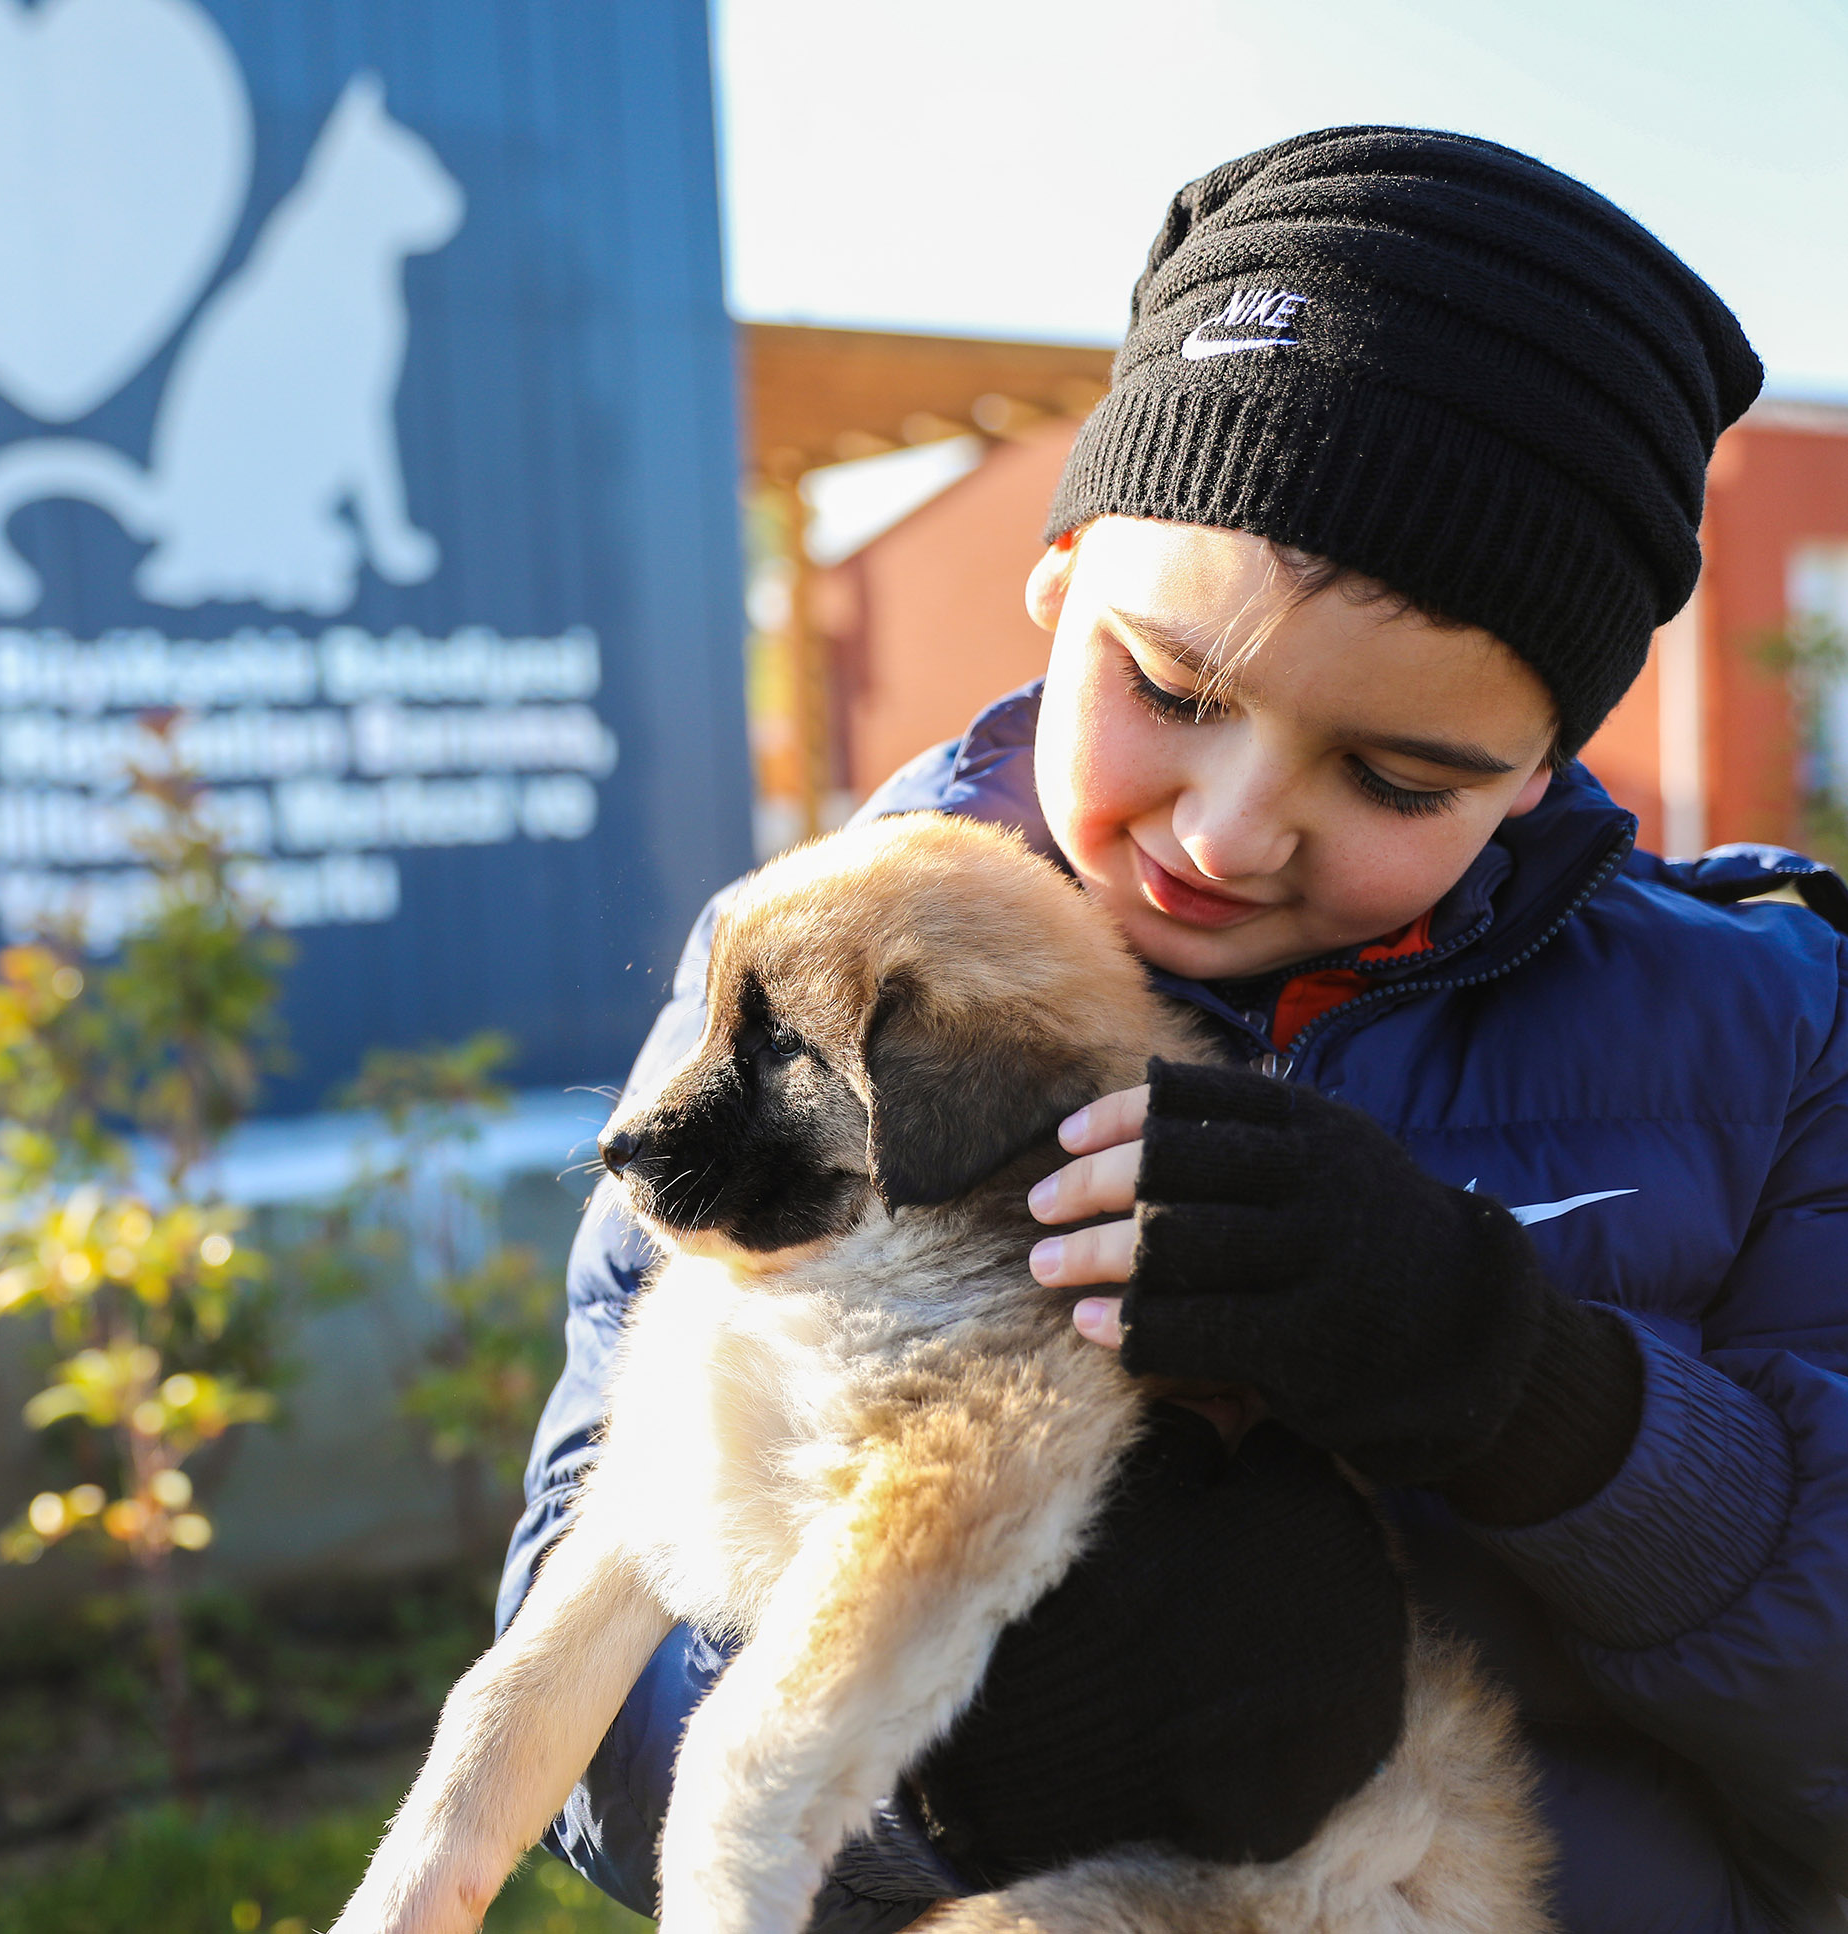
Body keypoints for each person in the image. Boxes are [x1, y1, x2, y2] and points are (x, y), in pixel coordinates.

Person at [502, 127, 1848, 1932]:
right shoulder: (810, 984)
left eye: (1398, 773)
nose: (1227, 828)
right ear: (1059, 583)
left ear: (1539, 774)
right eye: (1171, 687)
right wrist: (979, 1775)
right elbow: (597, 1694)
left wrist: (1536, 1395)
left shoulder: (1770, 1031)